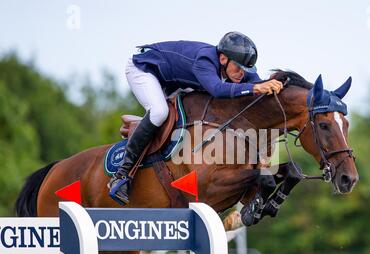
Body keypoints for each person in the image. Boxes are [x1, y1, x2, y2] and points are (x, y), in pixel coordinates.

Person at [108, 31, 284, 205]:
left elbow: (257, 89)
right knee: (159, 112)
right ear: (223, 59)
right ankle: (122, 174)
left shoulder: (236, 67)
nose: (241, 74)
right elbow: (217, 89)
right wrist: (255, 88)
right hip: (145, 70)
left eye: (246, 70)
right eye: (238, 68)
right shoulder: (204, 61)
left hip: (175, 82)